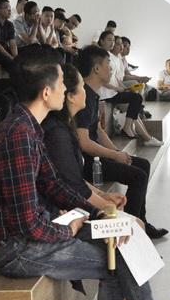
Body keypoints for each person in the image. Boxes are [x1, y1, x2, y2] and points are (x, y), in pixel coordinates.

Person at [0, 45, 165, 300]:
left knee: (124, 237)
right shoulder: (19, 136)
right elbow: (29, 225)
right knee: (117, 262)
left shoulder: (27, 126)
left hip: (34, 233)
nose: (65, 89)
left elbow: (54, 184)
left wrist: (105, 217)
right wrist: (70, 229)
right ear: (46, 92)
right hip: (15, 250)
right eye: (62, 82)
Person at [75, 45, 168, 239]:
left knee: (142, 164)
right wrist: (114, 155)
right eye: (108, 65)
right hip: (89, 163)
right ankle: (131, 228)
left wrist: (118, 153)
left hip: (98, 157)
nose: (111, 69)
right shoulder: (83, 97)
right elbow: (83, 142)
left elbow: (98, 130)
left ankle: (141, 221)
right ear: (96, 68)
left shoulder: (92, 95)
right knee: (138, 176)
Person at [42, 63, 127, 212]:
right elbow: (72, 186)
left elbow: (74, 178)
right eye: (82, 87)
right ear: (70, 97)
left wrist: (103, 195)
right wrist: (106, 207)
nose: (85, 91)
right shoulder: (57, 134)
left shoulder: (65, 127)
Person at [98, 32, 160, 145]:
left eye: (113, 41)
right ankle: (135, 131)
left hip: (113, 92)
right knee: (135, 101)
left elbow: (116, 77)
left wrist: (123, 88)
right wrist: (117, 89)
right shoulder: (100, 56)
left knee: (135, 105)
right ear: (101, 41)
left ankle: (145, 136)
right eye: (109, 40)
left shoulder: (109, 56)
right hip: (106, 94)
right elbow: (101, 79)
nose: (112, 43)